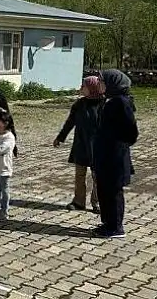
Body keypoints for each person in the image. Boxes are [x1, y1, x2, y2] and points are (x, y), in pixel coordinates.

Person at [93, 69, 138, 238]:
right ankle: (107, 223)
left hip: (115, 157)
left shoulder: (121, 102)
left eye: (101, 81)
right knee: (103, 189)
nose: (99, 84)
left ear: (113, 83)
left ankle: (116, 227)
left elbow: (131, 131)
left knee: (113, 192)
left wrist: (118, 145)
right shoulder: (109, 100)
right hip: (104, 156)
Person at [54, 76, 104, 213]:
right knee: (80, 175)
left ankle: (98, 202)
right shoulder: (79, 104)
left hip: (98, 147)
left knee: (98, 177)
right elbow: (70, 122)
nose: (81, 88)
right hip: (81, 144)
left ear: (93, 88)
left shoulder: (104, 104)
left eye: (84, 86)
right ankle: (79, 202)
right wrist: (60, 137)